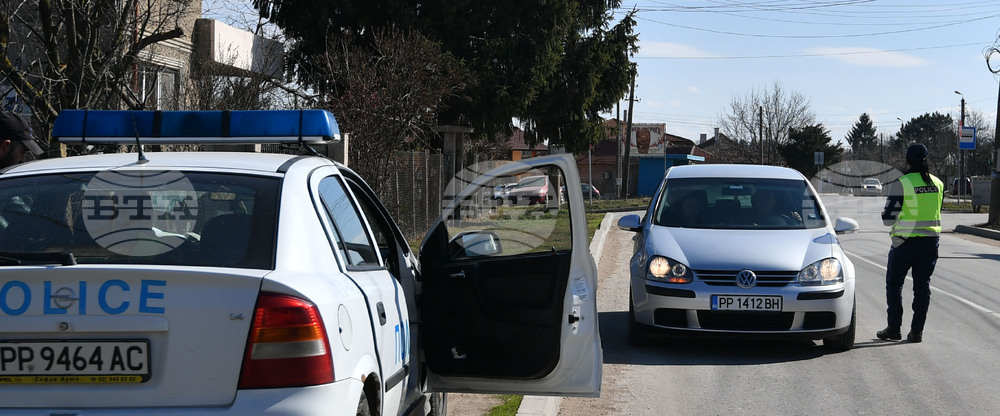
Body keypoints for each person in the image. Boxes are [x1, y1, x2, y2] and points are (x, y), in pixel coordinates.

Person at [877, 143, 943, 343]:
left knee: (894, 285)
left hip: (904, 243)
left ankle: (894, 328)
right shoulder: (938, 183)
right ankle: (917, 332)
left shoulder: (901, 183)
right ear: (926, 160)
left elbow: (888, 219)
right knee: (922, 287)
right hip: (930, 243)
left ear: (907, 160)